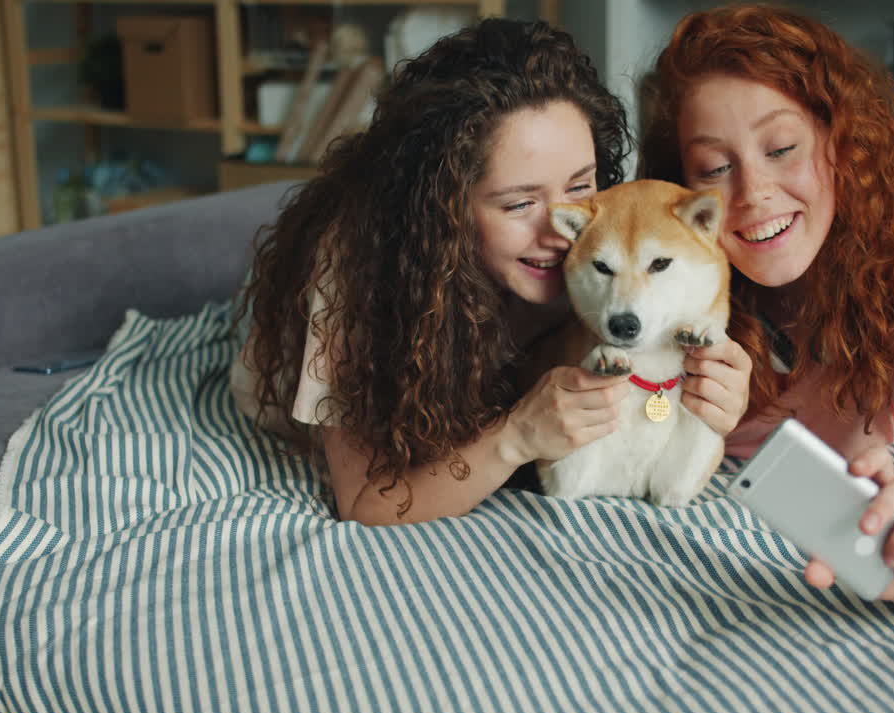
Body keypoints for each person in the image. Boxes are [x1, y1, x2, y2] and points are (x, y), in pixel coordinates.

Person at [231, 18, 755, 527]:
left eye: (579, 185)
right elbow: (368, 501)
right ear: (446, 209)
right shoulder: (360, 276)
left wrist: (711, 399)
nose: (561, 229)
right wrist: (515, 438)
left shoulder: (605, 243)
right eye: (519, 203)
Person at [639, 5, 894, 613]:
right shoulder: (662, 270)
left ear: (842, 145)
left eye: (782, 148)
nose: (753, 194)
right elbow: (637, 407)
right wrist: (668, 404)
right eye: (715, 168)